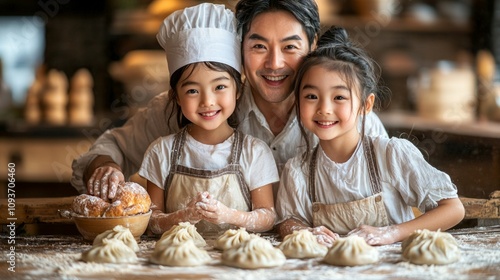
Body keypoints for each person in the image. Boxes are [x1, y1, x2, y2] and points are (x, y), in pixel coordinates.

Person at [71, 0, 388, 201]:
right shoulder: (190, 108)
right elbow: (111, 147)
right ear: (239, 46)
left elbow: (395, 191)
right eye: (259, 46)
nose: (274, 63)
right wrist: (106, 168)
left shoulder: (350, 120)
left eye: (290, 47)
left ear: (313, 45)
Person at [275, 26, 465, 246]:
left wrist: (391, 233)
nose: (324, 108)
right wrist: (304, 232)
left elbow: (453, 209)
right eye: (311, 96)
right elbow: (287, 221)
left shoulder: (391, 155)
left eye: (339, 97)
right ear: (297, 103)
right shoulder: (298, 171)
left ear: (366, 104)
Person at [137, 3, 278, 235]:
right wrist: (184, 216)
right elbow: (151, 221)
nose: (207, 101)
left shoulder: (255, 152)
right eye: (192, 90)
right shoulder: (161, 152)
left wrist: (228, 215)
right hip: (179, 264)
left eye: (220, 86)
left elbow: (267, 217)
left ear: (238, 91)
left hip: (236, 262)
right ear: (177, 97)